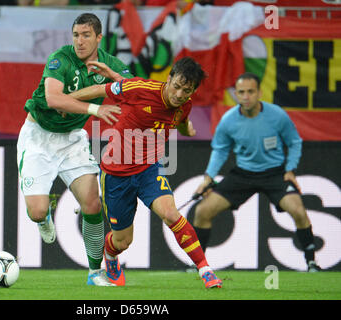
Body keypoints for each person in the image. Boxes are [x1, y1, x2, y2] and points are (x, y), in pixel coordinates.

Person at [70, 57, 223, 288]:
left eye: (187, 91)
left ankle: (205, 270)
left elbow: (181, 119)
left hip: (149, 170)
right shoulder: (140, 89)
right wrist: (63, 102)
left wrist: (187, 129)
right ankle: (110, 257)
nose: (180, 94)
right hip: (116, 173)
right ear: (168, 79)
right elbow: (99, 89)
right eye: (177, 86)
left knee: (171, 214)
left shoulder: (184, 105)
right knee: (122, 241)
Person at [16, 13, 133, 286]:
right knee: (36, 210)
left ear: (99, 37)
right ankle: (43, 217)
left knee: (92, 203)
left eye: (86, 35)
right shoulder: (60, 58)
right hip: (38, 138)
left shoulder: (109, 63)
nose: (80, 41)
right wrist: (96, 107)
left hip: (72, 140)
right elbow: (54, 99)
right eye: (76, 35)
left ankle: (95, 273)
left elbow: (135, 90)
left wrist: (114, 78)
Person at [192, 72, 321, 272]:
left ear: (259, 92)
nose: (246, 96)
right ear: (236, 94)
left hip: (275, 174)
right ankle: (198, 265)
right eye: (241, 92)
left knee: (298, 211)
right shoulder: (228, 120)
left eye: (250, 92)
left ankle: (311, 263)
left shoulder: (277, 115)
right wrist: (208, 177)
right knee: (202, 211)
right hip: (243, 174)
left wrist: (290, 169)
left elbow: (294, 142)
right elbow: (220, 149)